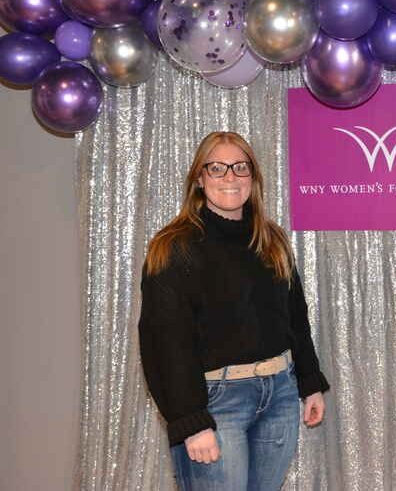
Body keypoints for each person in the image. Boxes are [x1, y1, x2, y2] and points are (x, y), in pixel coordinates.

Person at [139, 131, 330, 491]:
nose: (230, 177)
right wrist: (191, 420)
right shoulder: (173, 248)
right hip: (215, 403)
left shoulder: (272, 240)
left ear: (253, 177)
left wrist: (310, 383)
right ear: (199, 179)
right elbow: (165, 343)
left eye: (240, 167)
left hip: (280, 395)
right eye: (217, 168)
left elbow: (295, 318)